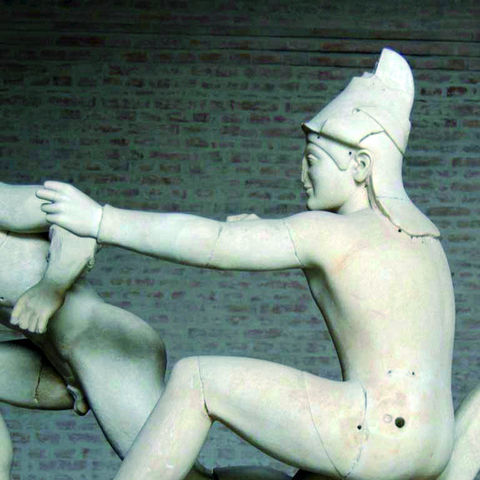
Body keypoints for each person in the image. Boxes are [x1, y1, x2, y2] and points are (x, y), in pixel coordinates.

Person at [37, 49, 466, 480]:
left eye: (312, 160)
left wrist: (100, 220)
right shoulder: (427, 240)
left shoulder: (330, 232)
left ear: (360, 165)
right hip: (432, 446)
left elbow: (214, 243)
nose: (302, 176)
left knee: (197, 380)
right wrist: (271, 232)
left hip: (375, 433)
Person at [0, 182, 171, 479]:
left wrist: (51, 287)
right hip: (55, 365)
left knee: (172, 473)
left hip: (107, 347)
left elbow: (75, 222)